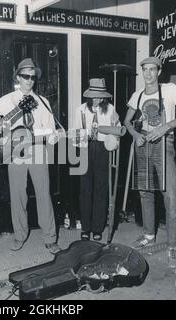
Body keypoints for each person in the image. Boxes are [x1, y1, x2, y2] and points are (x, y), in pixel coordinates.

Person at [124, 56, 176, 268]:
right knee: (146, 192)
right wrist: (135, 134)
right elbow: (127, 121)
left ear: (159, 71)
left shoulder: (170, 89)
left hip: (164, 143)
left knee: (170, 194)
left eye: (152, 70)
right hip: (142, 143)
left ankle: (173, 246)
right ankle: (148, 235)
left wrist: (166, 127)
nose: (148, 74)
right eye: (145, 70)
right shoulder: (137, 95)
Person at [0, 58, 61, 254]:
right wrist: (2, 135)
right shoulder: (7, 100)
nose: (29, 80)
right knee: (18, 195)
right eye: (25, 76)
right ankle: (20, 236)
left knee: (44, 195)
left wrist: (55, 137)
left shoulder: (43, 102)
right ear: (18, 77)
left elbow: (51, 132)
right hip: (16, 152)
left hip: (38, 150)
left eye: (32, 77)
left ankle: (50, 238)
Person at [72, 78, 122, 241]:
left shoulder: (110, 109)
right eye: (93, 96)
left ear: (104, 97)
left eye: (100, 96)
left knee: (101, 189)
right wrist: (83, 136)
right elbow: (74, 135)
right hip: (85, 149)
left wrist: (113, 138)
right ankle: (86, 228)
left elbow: (117, 131)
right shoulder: (80, 110)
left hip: (103, 150)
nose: (96, 99)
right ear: (88, 95)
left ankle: (98, 228)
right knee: (85, 190)